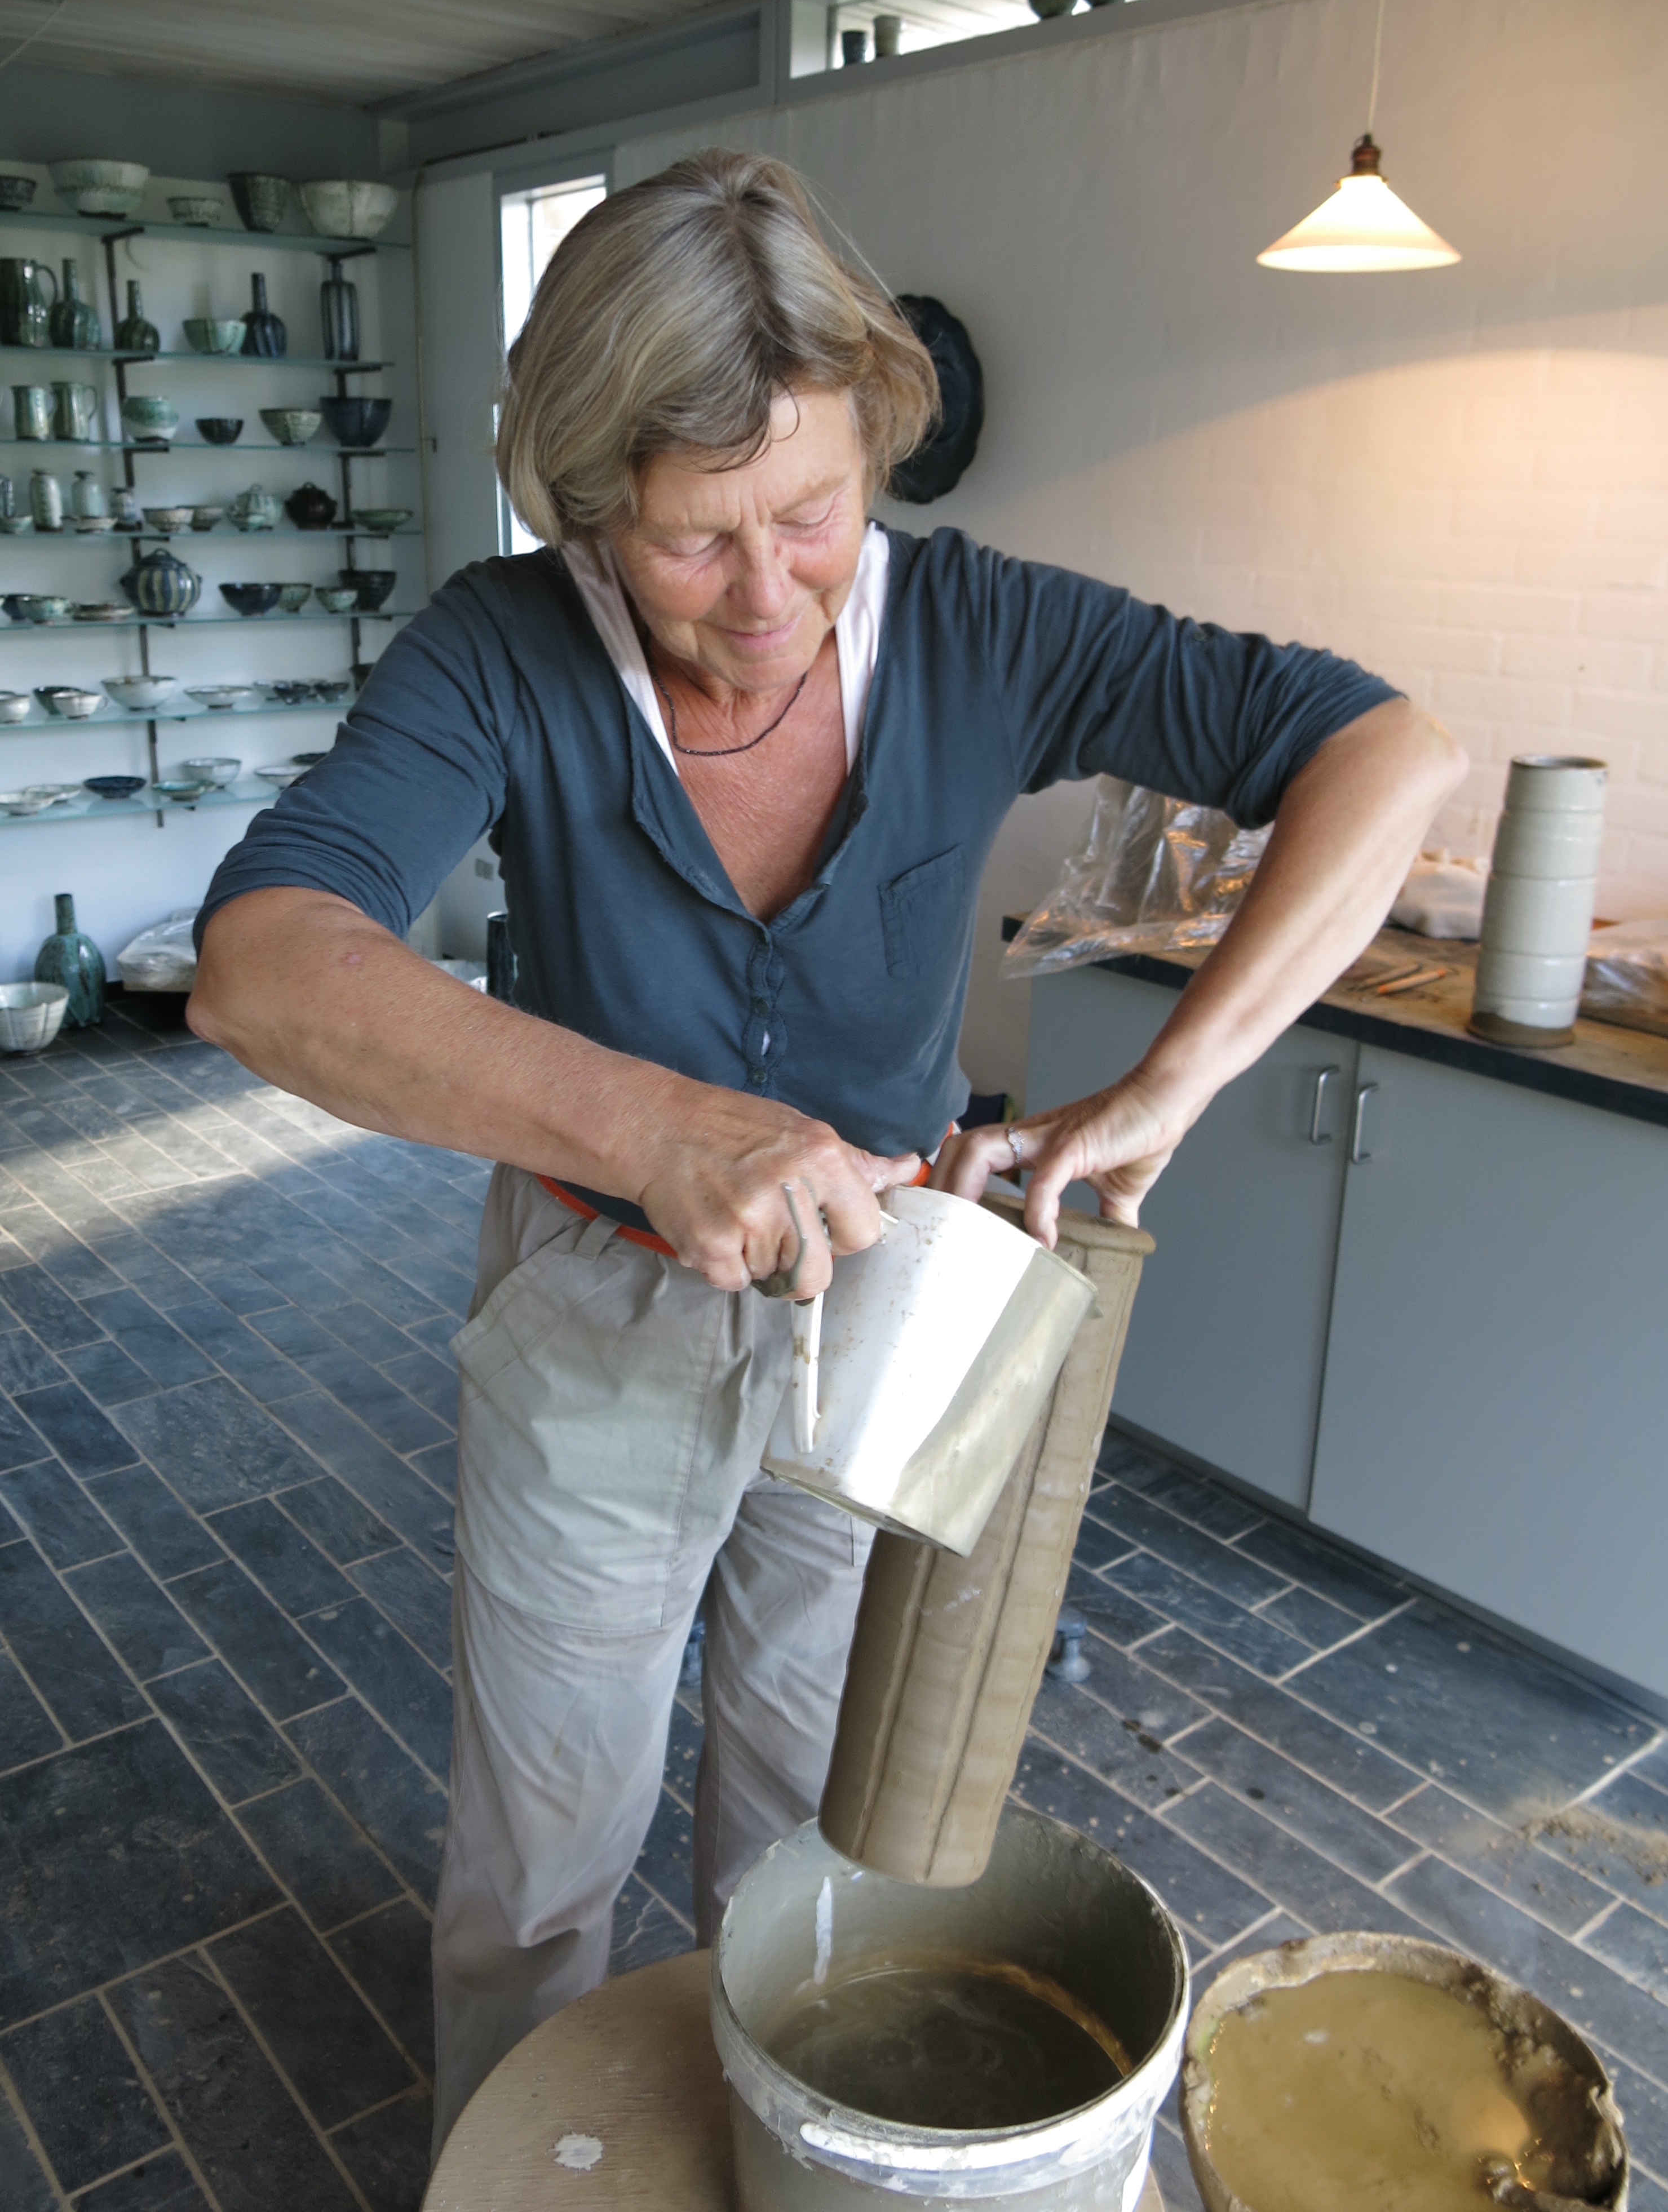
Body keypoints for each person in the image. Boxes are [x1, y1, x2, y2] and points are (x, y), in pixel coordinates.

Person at [188, 149, 1466, 2153]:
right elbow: (264, 965)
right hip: (599, 1308)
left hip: (885, 1296)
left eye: (813, 513)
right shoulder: (502, 649)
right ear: (587, 503)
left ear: (876, 448)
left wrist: (1169, 1085)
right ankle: (511, 2172)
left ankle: (783, 2158)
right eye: (694, 541)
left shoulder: (981, 628)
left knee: (810, 1798)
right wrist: (655, 1125)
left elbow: (1387, 751)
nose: (771, 596)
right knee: (547, 1843)